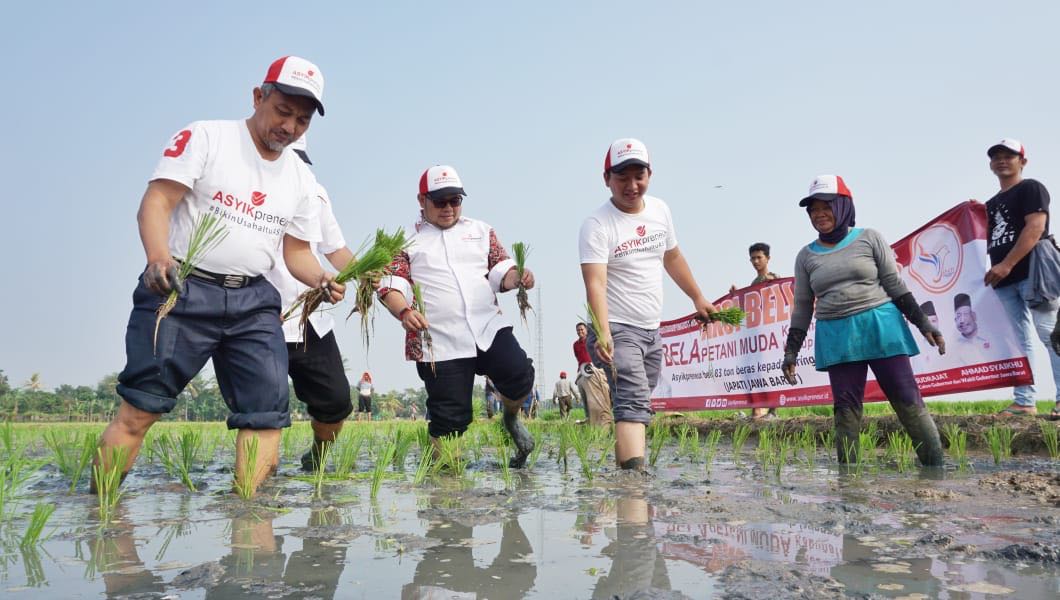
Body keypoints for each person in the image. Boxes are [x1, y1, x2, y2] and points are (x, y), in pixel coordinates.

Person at [97, 56, 344, 497]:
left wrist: (322, 280)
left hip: (253, 303)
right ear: (258, 97)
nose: (289, 127)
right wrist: (158, 257)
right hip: (182, 290)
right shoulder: (207, 137)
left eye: (302, 121)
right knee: (141, 409)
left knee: (266, 415)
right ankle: (99, 512)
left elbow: (298, 253)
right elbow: (156, 202)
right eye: (282, 112)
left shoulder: (302, 181)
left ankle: (250, 531)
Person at [782, 175, 945, 467]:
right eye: (813, 209)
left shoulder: (869, 237)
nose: (819, 214)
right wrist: (790, 351)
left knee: (907, 399)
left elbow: (895, 285)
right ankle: (850, 484)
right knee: (845, 409)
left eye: (826, 206)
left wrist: (923, 323)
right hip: (837, 335)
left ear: (844, 206)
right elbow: (803, 306)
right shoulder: (806, 256)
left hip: (881, 327)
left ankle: (936, 472)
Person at [378, 165, 536, 467]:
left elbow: (499, 269)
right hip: (440, 339)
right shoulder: (405, 240)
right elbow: (391, 284)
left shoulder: (479, 231)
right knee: (449, 417)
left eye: (455, 200)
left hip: (487, 327)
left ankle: (511, 419)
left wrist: (518, 277)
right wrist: (404, 311)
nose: (449, 208)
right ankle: (448, 486)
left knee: (519, 376)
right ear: (421, 200)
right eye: (440, 201)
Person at [579, 138, 717, 471]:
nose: (631, 185)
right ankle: (634, 484)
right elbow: (594, 282)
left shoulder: (660, 210)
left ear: (650, 175)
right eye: (621, 177)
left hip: (650, 329)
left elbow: (672, 257)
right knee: (633, 398)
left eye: (638, 176)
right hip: (616, 327)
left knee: (636, 399)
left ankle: (625, 473)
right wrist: (603, 330)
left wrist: (697, 296)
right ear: (606, 178)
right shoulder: (597, 225)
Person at [265, 134, 357, 472]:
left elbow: (334, 249)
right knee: (263, 409)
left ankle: (317, 454)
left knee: (335, 402)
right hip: (259, 319)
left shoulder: (315, 193)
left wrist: (366, 270)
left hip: (309, 320)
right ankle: (259, 480)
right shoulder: (250, 192)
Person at [982, 139, 1060, 418]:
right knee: (1017, 340)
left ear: (1022, 162)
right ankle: (1024, 400)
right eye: (997, 157)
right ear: (991, 164)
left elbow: (1035, 227)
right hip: (1003, 278)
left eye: (1009, 156)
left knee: (1049, 332)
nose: (1002, 160)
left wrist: (1007, 264)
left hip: (1035, 271)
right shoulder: (992, 203)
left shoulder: (1031, 188)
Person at [731, 242, 780, 419]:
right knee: (753, 371)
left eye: (759, 257)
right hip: (755, 335)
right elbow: (752, 310)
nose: (756, 261)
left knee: (768, 370)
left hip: (768, 335)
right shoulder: (755, 283)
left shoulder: (773, 279)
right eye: (753, 258)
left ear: (768, 258)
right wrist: (738, 296)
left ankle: (773, 410)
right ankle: (756, 410)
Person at [573, 322, 612, 423]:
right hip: (583, 371)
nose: (580, 331)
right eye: (578, 330)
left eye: (582, 329)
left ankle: (605, 417)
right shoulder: (576, 345)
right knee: (584, 396)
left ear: (586, 330)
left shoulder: (591, 341)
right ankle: (588, 417)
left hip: (595, 369)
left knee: (600, 395)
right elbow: (578, 358)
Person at [952, 293, 991, 365]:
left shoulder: (991, 337)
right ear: (955, 320)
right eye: (958, 316)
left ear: (974, 316)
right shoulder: (953, 347)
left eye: (966, 314)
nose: (962, 320)